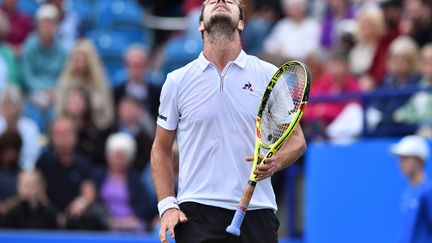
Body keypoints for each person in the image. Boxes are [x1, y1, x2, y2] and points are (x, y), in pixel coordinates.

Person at [151, 1, 306, 243]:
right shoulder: (177, 81)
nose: (221, 1)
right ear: (201, 24)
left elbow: (297, 140)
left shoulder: (268, 74)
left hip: (258, 211)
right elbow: (160, 149)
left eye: (231, 1)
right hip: (197, 212)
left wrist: (275, 163)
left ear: (241, 22)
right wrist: (167, 205)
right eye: (212, 0)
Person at [36, 117, 106, 230]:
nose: (63, 139)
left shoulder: (84, 163)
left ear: (75, 136)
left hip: (76, 219)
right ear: (51, 137)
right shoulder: (43, 163)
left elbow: (89, 191)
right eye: (58, 134)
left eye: (67, 133)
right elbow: (38, 192)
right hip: (48, 220)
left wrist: (81, 203)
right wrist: (54, 214)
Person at [94, 133, 157, 232]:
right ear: (108, 156)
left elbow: (144, 205)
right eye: (115, 156)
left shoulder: (135, 180)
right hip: (105, 224)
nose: (118, 161)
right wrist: (107, 220)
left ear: (129, 159)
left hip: (131, 225)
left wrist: (133, 219)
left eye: (121, 157)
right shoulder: (98, 176)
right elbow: (94, 202)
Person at [21, 4, 67, 132]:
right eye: (44, 24)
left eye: (51, 24)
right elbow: (27, 75)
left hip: (56, 92)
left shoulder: (63, 49)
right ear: (38, 26)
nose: (47, 28)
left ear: (56, 26)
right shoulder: (29, 45)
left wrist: (55, 90)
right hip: (33, 93)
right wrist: (42, 89)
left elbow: (65, 75)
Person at [56, 38, 113, 130]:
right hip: (69, 128)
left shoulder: (100, 82)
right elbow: (59, 109)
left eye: (84, 60)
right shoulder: (65, 81)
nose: (81, 64)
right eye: (77, 60)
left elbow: (106, 113)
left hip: (95, 127)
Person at [389, 135, 432, 243]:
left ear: (420, 160)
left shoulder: (428, 191)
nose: (401, 163)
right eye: (400, 159)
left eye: (406, 158)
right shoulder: (408, 193)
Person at [113, 44, 160, 120]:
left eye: (139, 66)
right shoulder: (117, 92)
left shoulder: (156, 92)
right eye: (132, 66)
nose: (136, 71)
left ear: (146, 66)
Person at [0, 87, 40, 170]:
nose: (9, 112)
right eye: (6, 107)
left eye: (12, 107)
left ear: (19, 108)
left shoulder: (30, 127)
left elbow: (32, 157)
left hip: (23, 172)